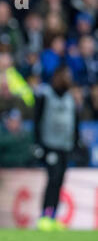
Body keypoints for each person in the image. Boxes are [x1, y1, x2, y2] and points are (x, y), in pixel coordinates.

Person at [34, 65, 80, 231]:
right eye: (67, 75)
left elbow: (75, 122)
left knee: (60, 180)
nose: (69, 78)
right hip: (50, 145)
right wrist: (38, 144)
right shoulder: (46, 95)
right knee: (52, 179)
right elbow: (37, 120)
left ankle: (53, 216)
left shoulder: (70, 98)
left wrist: (75, 143)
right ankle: (45, 215)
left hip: (65, 146)